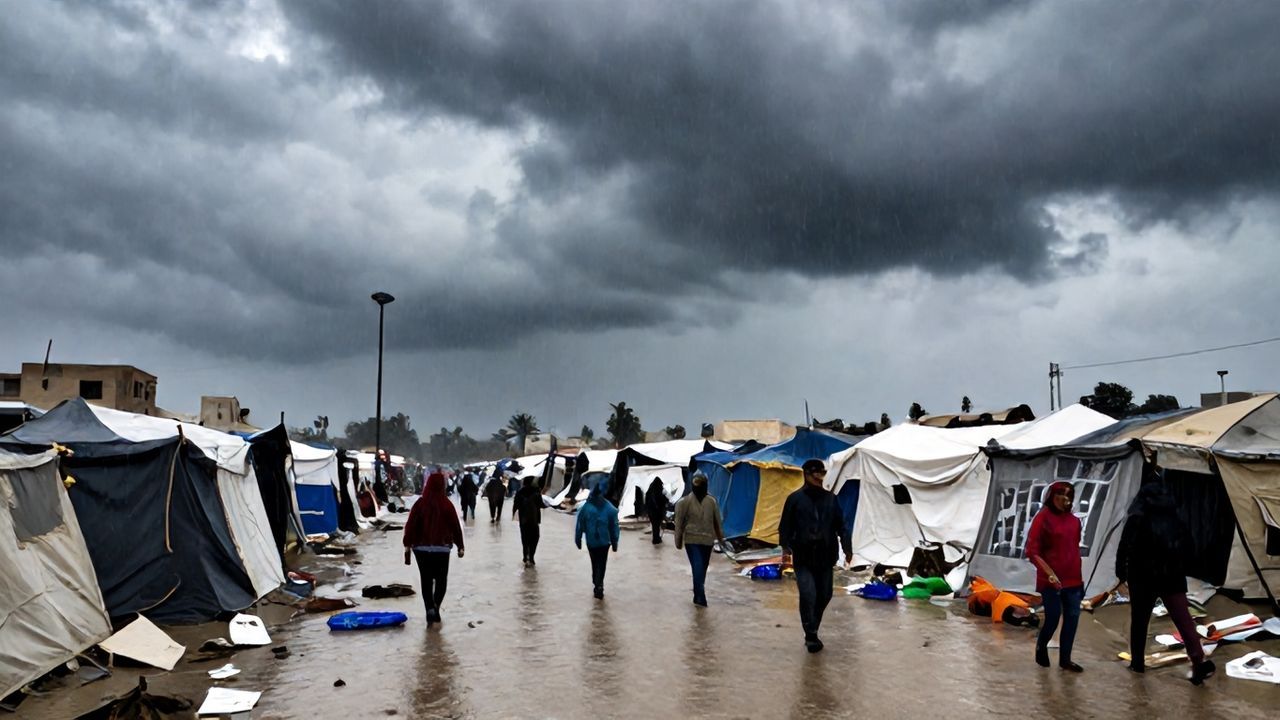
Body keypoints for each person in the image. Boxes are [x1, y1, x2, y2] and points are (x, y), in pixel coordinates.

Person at [1116, 482, 1216, 684]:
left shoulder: (1138, 515)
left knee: (1140, 622)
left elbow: (1125, 545)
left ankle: (1137, 664)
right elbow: (1189, 545)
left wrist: (1121, 574)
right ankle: (1197, 660)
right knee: (1184, 620)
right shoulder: (1174, 515)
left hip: (1143, 578)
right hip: (1173, 577)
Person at [778, 459, 850, 653]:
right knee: (808, 594)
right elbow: (785, 526)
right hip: (803, 557)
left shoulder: (831, 499)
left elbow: (841, 526)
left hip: (826, 557)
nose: (819, 478)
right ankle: (811, 634)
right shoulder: (794, 499)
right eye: (815, 474)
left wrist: (848, 547)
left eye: (821, 474)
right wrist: (785, 548)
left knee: (825, 595)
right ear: (806, 475)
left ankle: (813, 625)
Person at [1026, 481, 1084, 672]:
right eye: (1061, 494)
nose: (1065, 499)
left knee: (1072, 618)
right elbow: (1032, 550)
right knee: (1052, 617)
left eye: (1069, 495)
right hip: (1050, 580)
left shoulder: (1075, 522)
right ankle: (1041, 645)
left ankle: (1065, 659)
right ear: (1052, 496)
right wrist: (1048, 572)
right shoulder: (1043, 518)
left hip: (1073, 579)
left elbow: (1073, 549)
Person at [402, 472, 465, 626]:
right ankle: (436, 606)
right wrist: (460, 545)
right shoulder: (447, 504)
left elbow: (410, 525)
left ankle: (429, 608)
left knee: (426, 579)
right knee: (441, 579)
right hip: (442, 548)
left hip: (421, 549)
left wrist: (407, 544)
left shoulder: (419, 504)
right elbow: (455, 526)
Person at [674, 471, 724, 607]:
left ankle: (697, 593)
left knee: (703, 568)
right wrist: (678, 541)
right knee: (697, 566)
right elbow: (678, 524)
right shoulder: (683, 503)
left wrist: (721, 540)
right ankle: (701, 598)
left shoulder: (711, 502)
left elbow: (717, 523)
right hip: (692, 540)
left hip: (708, 541)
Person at [574, 483, 619, 599]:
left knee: (594, 563)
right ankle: (599, 585)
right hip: (604, 543)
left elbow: (580, 525)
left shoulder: (586, 508)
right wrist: (615, 543)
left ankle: (597, 583)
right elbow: (614, 527)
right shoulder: (609, 508)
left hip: (592, 542)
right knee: (602, 564)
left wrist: (578, 540)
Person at [512, 476, 544, 565]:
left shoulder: (519, 492)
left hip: (523, 520)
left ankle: (525, 556)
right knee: (535, 538)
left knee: (525, 538)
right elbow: (541, 505)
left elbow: (515, 506)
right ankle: (532, 557)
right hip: (534, 520)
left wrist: (514, 515)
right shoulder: (536, 492)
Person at [644, 477, 669, 544]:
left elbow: (646, 500)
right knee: (657, 525)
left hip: (651, 512)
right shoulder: (660, 491)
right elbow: (664, 500)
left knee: (654, 525)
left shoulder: (649, 491)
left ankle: (656, 538)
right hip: (658, 512)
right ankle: (656, 539)